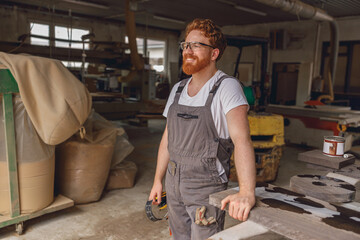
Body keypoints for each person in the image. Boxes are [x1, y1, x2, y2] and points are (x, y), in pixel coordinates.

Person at [148, 18, 256, 240]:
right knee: (179, 236)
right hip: (173, 179)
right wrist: (158, 180)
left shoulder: (227, 87)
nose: (188, 50)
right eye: (186, 45)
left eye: (196, 45)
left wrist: (246, 192)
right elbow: (167, 140)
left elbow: (242, 141)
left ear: (214, 53)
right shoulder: (178, 89)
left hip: (205, 184)